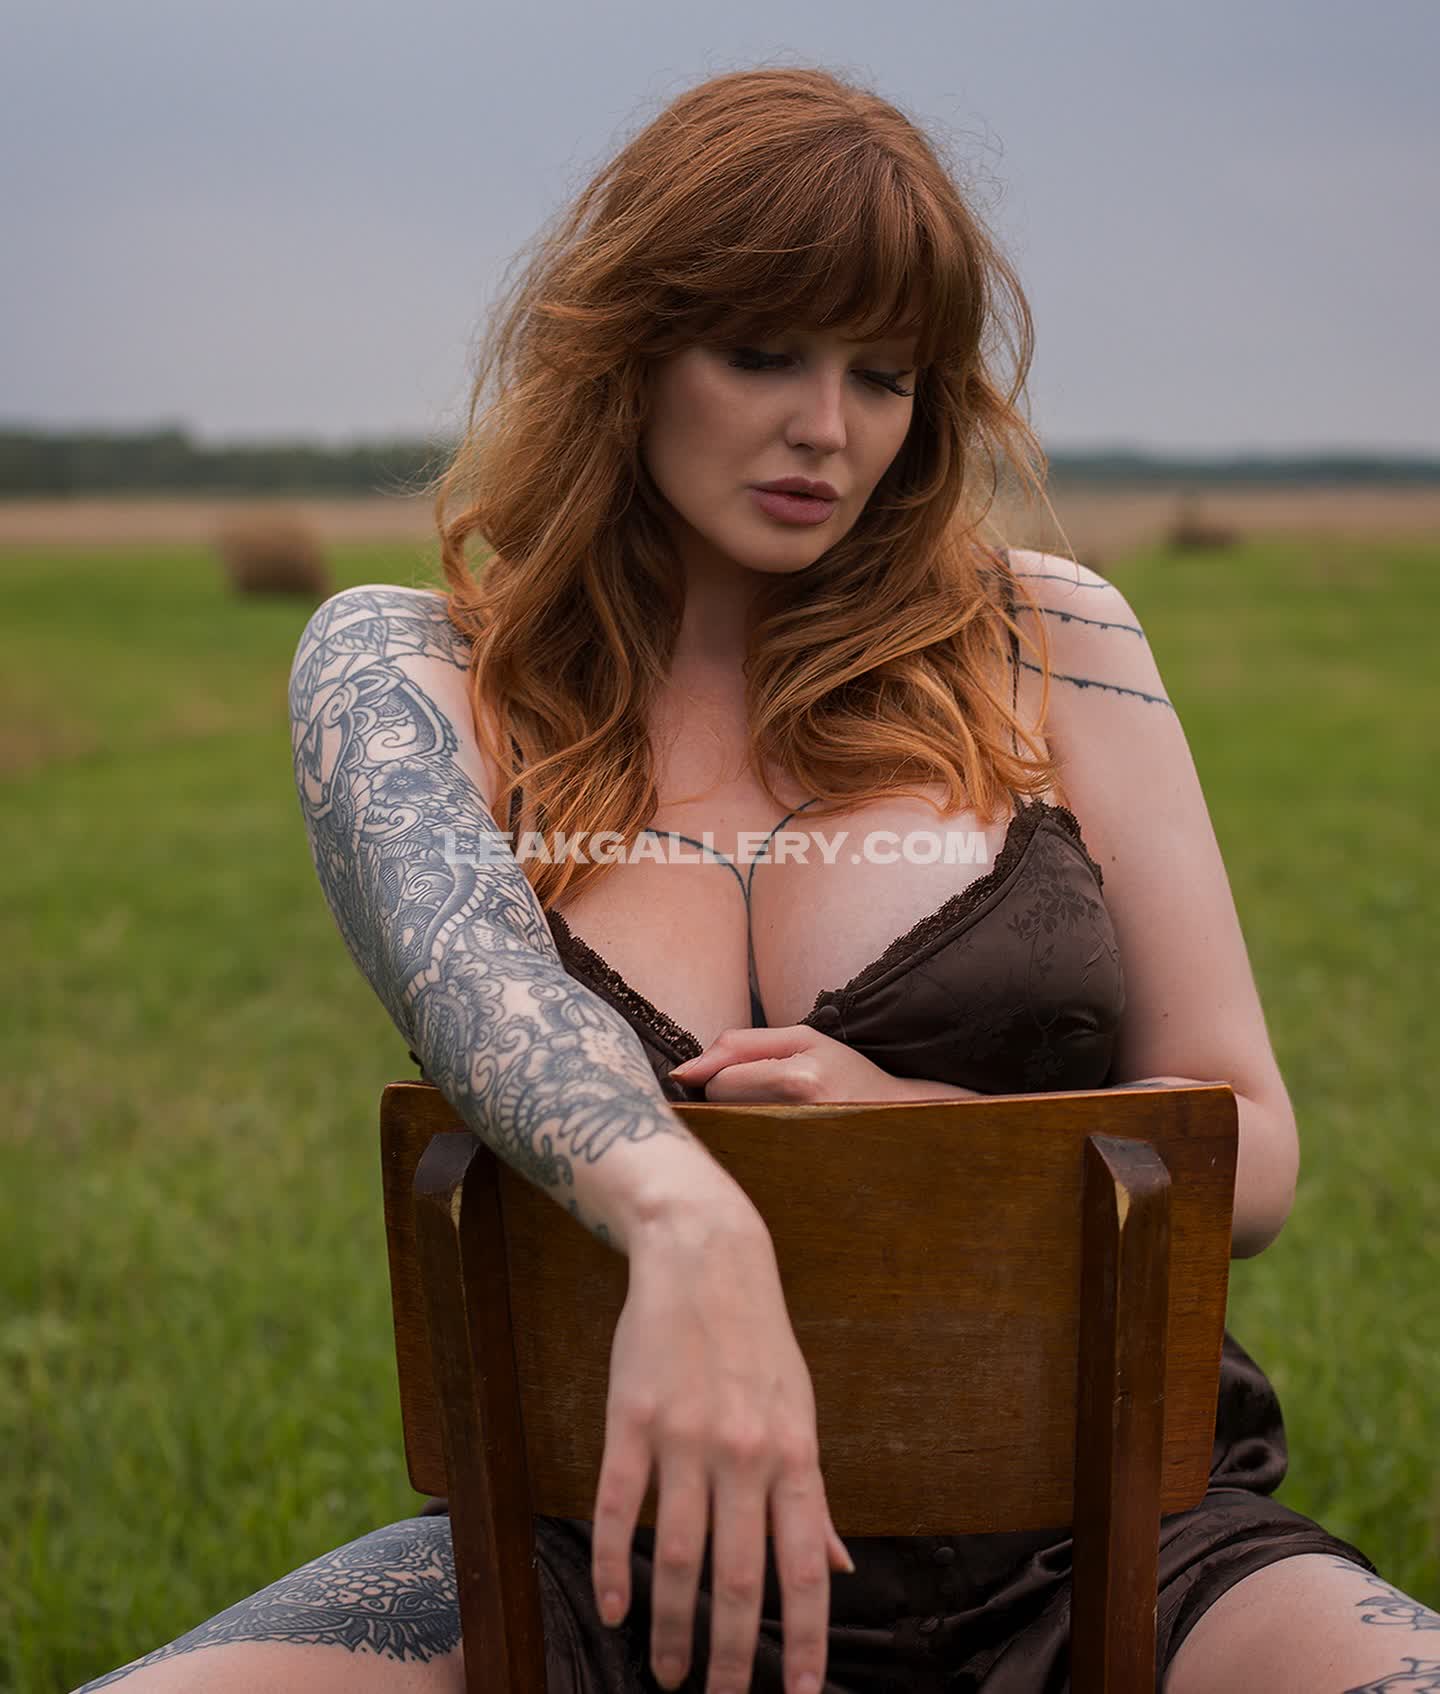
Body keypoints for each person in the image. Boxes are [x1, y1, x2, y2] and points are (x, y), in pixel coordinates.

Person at [77, 64, 1432, 1694]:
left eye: (885, 373)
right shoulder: (412, 673)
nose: (827, 429)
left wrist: (923, 1132)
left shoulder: (1055, 637)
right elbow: (470, 988)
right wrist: (684, 1211)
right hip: (597, 1577)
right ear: (630, 346)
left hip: (1113, 1555)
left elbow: (1252, 1148)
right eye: (764, 352)